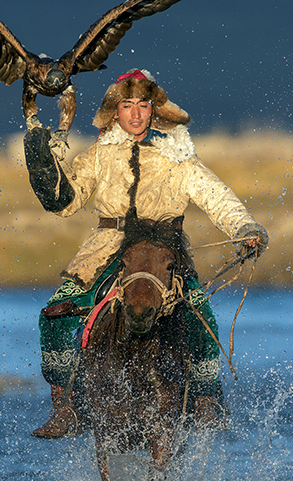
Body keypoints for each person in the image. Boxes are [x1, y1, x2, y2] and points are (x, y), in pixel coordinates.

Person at [25, 69, 268, 439]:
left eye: (143, 105)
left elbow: (216, 197)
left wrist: (246, 229)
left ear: (154, 110)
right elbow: (66, 202)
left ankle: (205, 401)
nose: (136, 114)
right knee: (55, 315)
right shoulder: (98, 154)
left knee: (201, 316)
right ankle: (66, 407)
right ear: (115, 111)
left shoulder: (178, 155)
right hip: (107, 250)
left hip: (163, 254)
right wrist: (42, 166)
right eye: (127, 105)